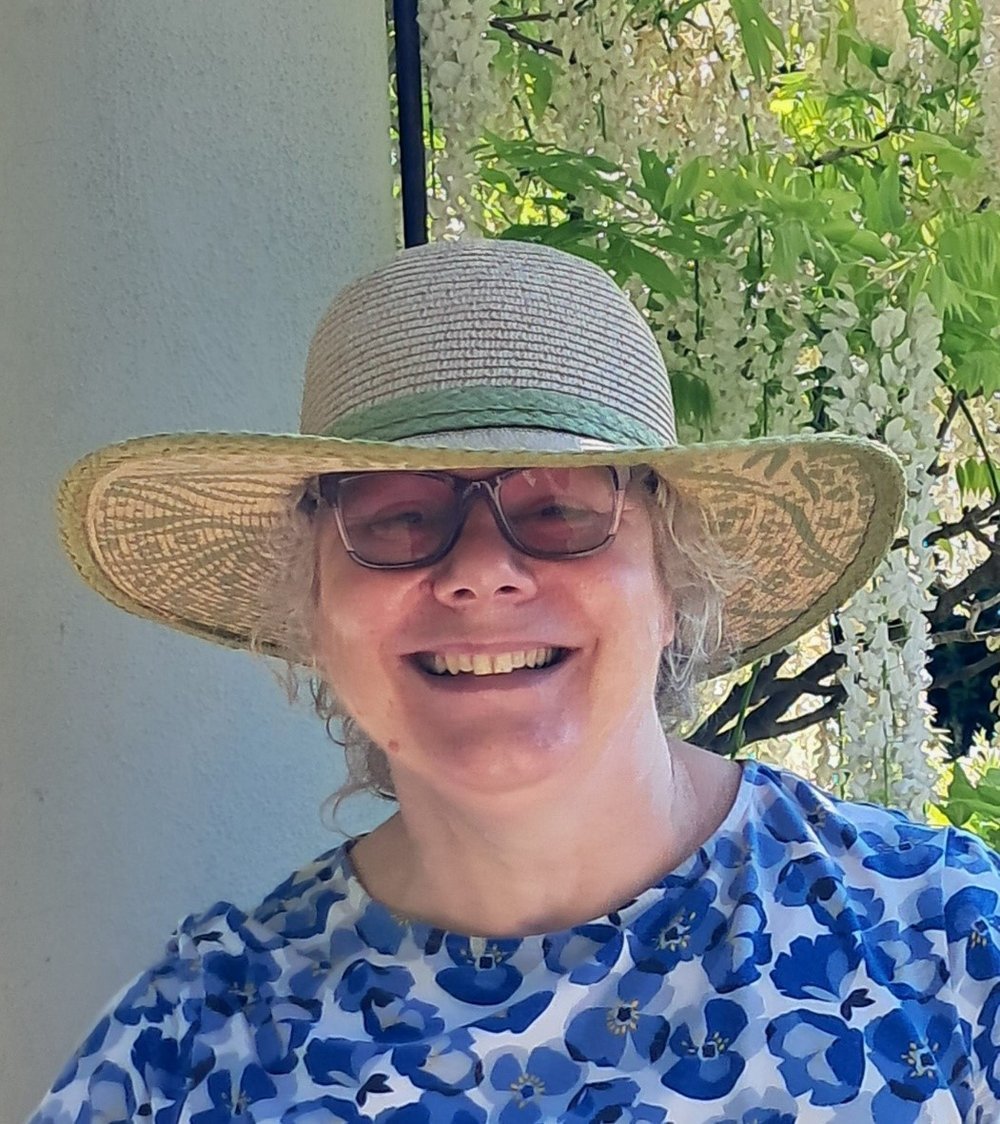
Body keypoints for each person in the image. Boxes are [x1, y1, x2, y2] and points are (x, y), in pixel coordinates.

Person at [30, 239, 1000, 1123]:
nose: (479, 567)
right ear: (313, 609)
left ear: (672, 580)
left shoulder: (943, 938)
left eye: (560, 506)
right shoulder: (192, 1049)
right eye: (398, 513)